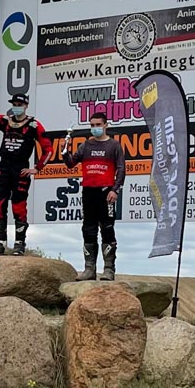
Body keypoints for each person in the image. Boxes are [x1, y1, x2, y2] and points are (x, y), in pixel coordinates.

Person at [0, 82, 53, 256]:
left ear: (26, 105)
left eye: (20, 104)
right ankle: (0, 243)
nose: (17, 107)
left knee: (19, 206)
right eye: (14, 104)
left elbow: (48, 149)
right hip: (4, 166)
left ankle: (19, 244)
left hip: (21, 168)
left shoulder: (33, 125)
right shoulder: (5, 121)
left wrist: (37, 168)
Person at [64, 112, 124, 280]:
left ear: (106, 125)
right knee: (88, 230)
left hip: (106, 192)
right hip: (89, 191)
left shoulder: (114, 145)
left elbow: (121, 169)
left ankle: (109, 270)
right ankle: (89, 269)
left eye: (98, 125)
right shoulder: (86, 145)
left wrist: (115, 189)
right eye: (92, 125)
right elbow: (71, 163)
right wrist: (64, 151)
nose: (95, 128)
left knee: (107, 228)